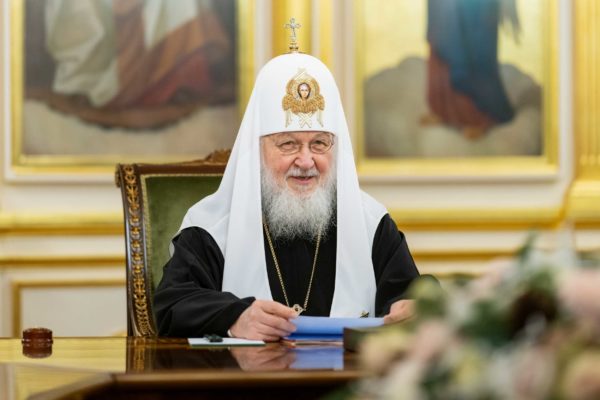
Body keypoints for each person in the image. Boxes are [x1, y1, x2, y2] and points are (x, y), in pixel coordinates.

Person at [153, 32, 422, 341]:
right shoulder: (213, 226)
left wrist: (414, 307)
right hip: (244, 373)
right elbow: (171, 306)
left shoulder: (370, 222)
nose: (306, 161)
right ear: (258, 150)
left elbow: (410, 295)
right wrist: (235, 316)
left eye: (319, 143)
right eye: (288, 144)